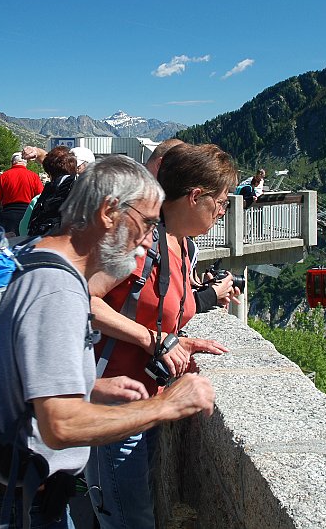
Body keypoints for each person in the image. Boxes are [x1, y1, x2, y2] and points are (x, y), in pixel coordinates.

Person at [0, 155, 215, 528]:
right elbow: (61, 426)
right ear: (109, 211)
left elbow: (18, 371)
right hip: (12, 505)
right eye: (146, 223)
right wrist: (167, 405)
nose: (145, 243)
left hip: (4, 494)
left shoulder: (38, 254)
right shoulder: (56, 288)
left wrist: (88, 386)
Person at [88, 144, 239, 529]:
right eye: (220, 201)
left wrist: (177, 340)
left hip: (150, 401)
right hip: (113, 407)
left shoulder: (183, 246)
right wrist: (149, 339)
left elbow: (163, 314)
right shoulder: (139, 242)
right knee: (127, 519)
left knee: (136, 513)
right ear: (194, 196)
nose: (223, 210)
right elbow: (80, 297)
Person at [21, 145, 78, 237]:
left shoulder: (42, 198)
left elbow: (23, 230)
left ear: (49, 173)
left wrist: (37, 151)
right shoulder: (83, 193)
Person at [0, 152, 43, 236]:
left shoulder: (3, 176)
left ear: (12, 162)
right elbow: (40, 197)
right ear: (25, 163)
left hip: (8, 215)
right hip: (27, 214)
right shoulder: (34, 177)